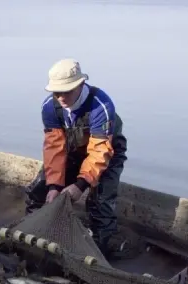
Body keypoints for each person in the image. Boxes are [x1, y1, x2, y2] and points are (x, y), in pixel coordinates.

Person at [24, 58, 128, 258]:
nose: (61, 97)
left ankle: (97, 254)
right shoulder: (49, 107)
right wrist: (55, 186)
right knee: (39, 189)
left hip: (107, 154)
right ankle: (35, 235)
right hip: (72, 151)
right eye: (56, 92)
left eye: (67, 91)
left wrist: (80, 185)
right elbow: (54, 147)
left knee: (100, 203)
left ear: (80, 85)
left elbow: (100, 152)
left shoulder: (101, 106)